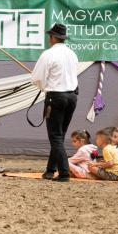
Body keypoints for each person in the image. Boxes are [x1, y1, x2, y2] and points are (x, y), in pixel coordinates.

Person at [31, 23, 79, 182]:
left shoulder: (48, 54)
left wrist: (42, 85)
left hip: (56, 97)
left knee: (55, 137)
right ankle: (50, 170)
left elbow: (37, 79)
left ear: (52, 38)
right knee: (59, 135)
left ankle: (64, 173)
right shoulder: (72, 54)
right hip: (72, 97)